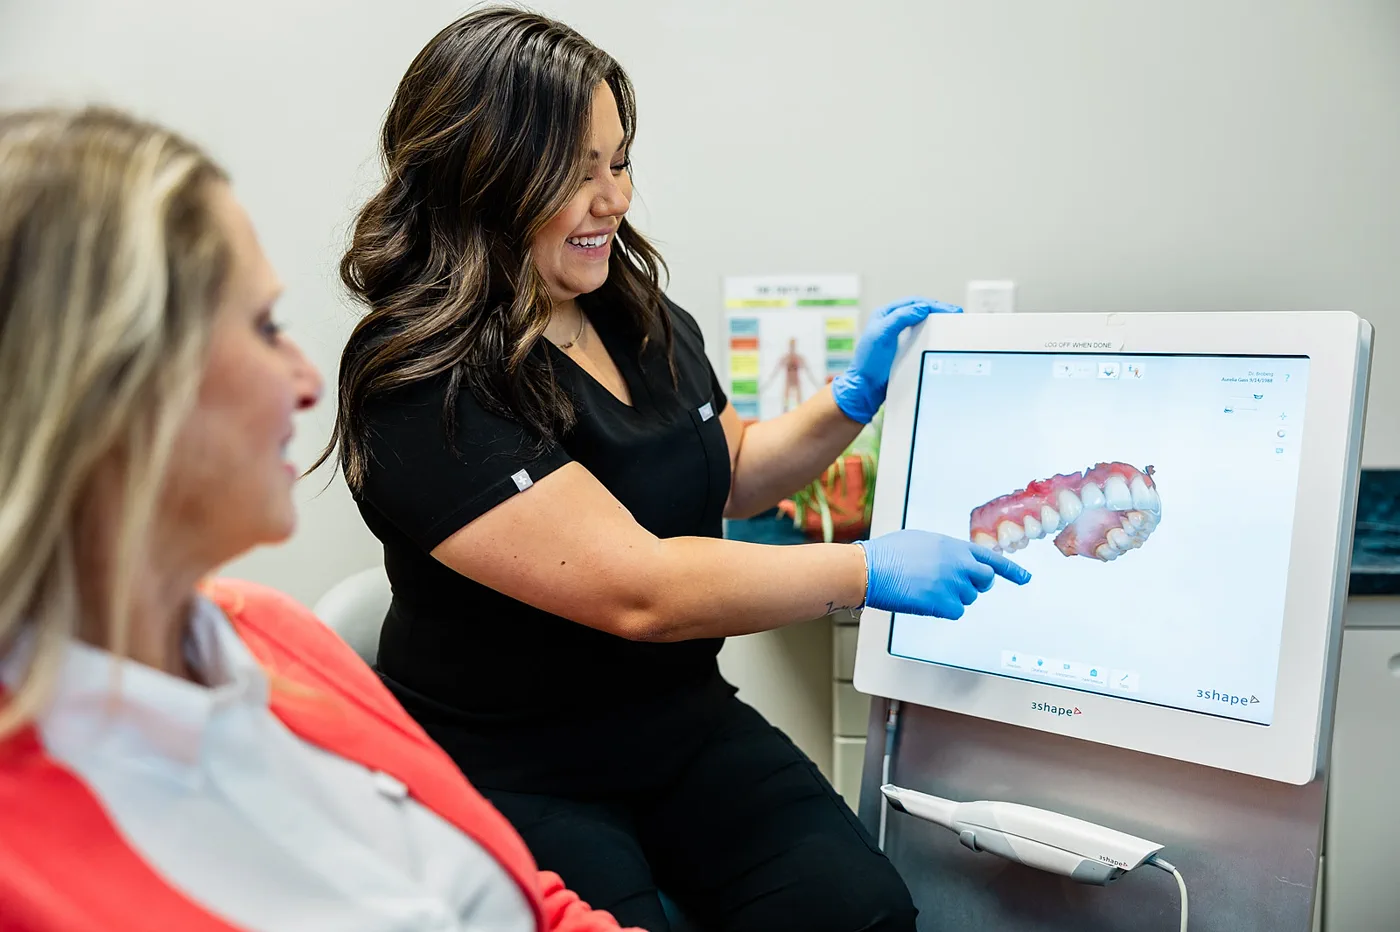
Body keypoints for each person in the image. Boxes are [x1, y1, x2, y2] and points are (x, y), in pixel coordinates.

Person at [320, 9, 1031, 931]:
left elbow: (731, 472)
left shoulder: (632, 311)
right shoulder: (425, 382)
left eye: (618, 162)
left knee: (863, 913)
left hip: (681, 727)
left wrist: (851, 400)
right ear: (482, 173)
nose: (613, 198)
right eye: (577, 172)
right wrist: (866, 570)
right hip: (514, 766)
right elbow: (642, 591)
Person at [0, 106, 640, 932]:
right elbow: (642, 590)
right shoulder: (27, 871)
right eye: (264, 328)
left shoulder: (272, 633)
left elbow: (532, 904)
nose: (308, 383)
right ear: (102, 391)